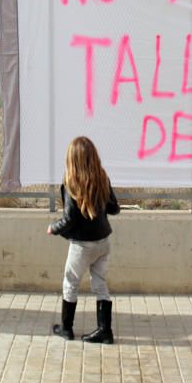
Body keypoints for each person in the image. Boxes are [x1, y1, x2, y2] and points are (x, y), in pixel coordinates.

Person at [46, 136, 120, 344]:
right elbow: (115, 208)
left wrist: (53, 228)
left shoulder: (71, 182)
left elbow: (69, 219)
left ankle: (66, 328)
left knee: (71, 283)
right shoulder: (102, 178)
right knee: (100, 284)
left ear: (72, 159)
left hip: (82, 245)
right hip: (103, 242)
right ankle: (104, 331)